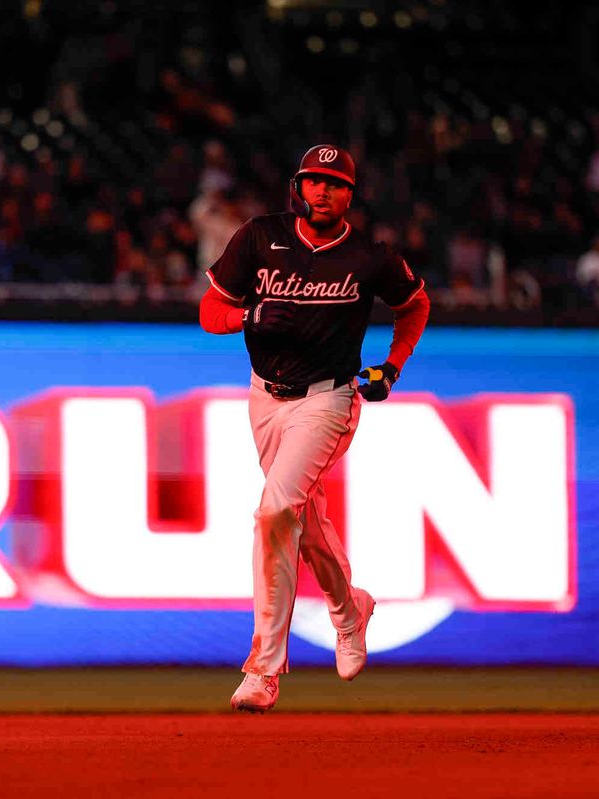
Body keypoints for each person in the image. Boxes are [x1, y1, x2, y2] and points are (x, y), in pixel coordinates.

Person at [197, 145, 430, 712]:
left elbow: (415, 304)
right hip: (265, 397)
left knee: (276, 509)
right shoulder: (258, 236)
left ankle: (263, 670)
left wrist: (392, 367)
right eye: (313, 181)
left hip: (329, 398)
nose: (323, 192)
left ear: (351, 194)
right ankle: (350, 610)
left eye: (335, 183)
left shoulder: (368, 256)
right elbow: (210, 311)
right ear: (297, 187)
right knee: (301, 517)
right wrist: (248, 316)